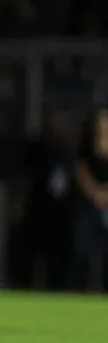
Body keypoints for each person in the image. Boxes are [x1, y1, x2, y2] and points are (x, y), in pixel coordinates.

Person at [72, 107, 108, 291]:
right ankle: (79, 292)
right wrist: (96, 195)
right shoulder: (87, 149)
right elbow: (81, 172)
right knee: (83, 253)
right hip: (89, 207)